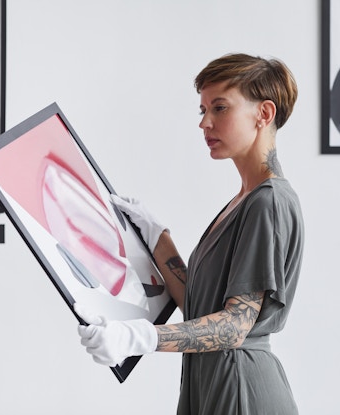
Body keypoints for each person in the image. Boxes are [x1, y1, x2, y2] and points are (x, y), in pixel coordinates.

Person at [75, 52, 304, 414]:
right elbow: (200, 304)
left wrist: (138, 337)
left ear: (264, 113)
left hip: (240, 389)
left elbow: (233, 326)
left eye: (220, 108)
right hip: (212, 382)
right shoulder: (244, 200)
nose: (205, 123)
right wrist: (156, 237)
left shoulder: (268, 203)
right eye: (203, 111)